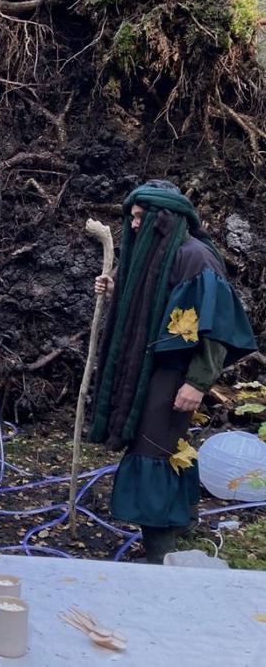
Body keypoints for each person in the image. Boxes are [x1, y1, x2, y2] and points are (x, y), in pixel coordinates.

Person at [90, 180, 256, 563]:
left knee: (154, 451)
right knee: (156, 449)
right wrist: (114, 287)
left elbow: (214, 328)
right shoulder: (155, 255)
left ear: (162, 217)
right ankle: (177, 525)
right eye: (131, 218)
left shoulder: (195, 256)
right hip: (146, 369)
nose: (132, 226)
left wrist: (197, 382)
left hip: (175, 371)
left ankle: (159, 550)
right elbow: (150, 301)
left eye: (138, 218)